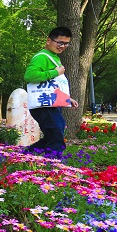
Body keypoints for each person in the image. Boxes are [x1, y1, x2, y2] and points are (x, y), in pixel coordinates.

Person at [24, 27, 78, 155]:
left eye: (66, 43)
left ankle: (23, 157)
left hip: (50, 103)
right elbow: (29, 76)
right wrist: (55, 72)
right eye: (59, 42)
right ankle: (54, 168)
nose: (63, 46)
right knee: (55, 137)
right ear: (49, 40)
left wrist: (67, 98)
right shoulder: (41, 57)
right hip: (43, 106)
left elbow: (51, 85)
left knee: (52, 136)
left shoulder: (53, 57)